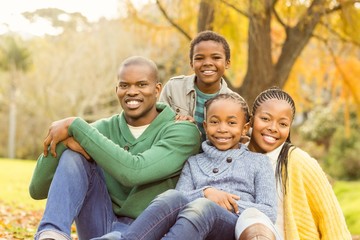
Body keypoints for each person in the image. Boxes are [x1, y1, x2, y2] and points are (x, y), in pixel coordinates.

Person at [29, 56, 201, 240]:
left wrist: (75, 126)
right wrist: (64, 141)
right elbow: (37, 189)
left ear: (157, 89)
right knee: (74, 155)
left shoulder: (182, 131)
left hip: (146, 231)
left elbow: (134, 172)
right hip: (98, 222)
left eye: (142, 85)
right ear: (117, 89)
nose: (132, 92)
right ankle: (52, 235)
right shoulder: (102, 129)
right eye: (124, 85)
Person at [115, 93, 278, 240]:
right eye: (215, 122)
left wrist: (223, 202)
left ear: (244, 128)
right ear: (206, 127)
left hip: (232, 224)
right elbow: (180, 198)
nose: (222, 129)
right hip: (196, 223)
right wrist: (205, 193)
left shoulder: (258, 162)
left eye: (231, 123)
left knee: (203, 206)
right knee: (171, 196)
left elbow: (268, 211)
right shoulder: (194, 162)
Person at [235, 87, 352, 239]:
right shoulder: (235, 158)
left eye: (283, 124)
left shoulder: (300, 163)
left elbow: (331, 220)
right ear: (250, 121)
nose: (272, 128)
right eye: (265, 119)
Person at [159, 30, 237, 143]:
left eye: (216, 57)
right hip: (177, 155)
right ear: (191, 63)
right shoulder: (173, 88)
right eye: (199, 58)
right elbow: (158, 127)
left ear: (227, 63)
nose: (207, 63)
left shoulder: (235, 102)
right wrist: (184, 127)